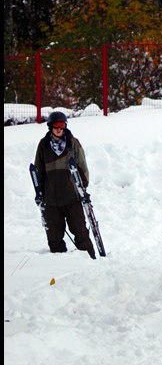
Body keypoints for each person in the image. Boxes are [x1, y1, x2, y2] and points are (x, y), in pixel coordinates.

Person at [34, 111, 96, 259]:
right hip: (51, 199)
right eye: (56, 125)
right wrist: (40, 192)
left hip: (72, 197)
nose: (59, 129)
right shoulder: (43, 145)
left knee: (80, 232)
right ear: (50, 127)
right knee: (54, 238)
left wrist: (83, 187)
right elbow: (38, 171)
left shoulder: (72, 143)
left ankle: (91, 262)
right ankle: (60, 266)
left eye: (62, 125)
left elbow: (82, 166)